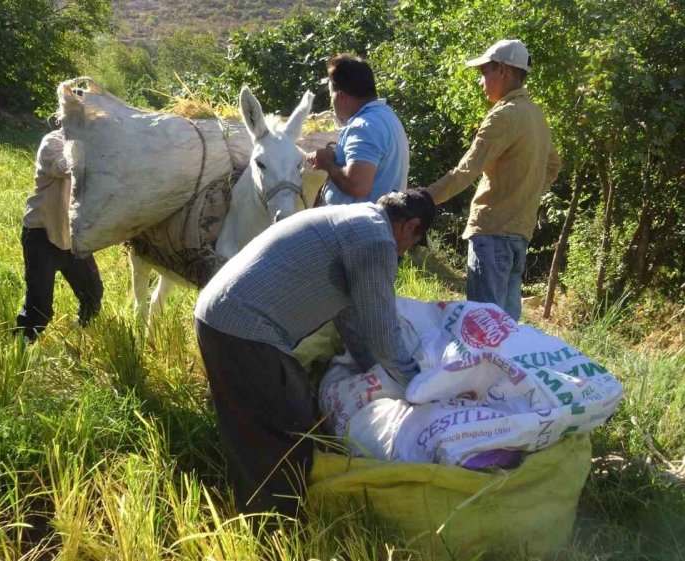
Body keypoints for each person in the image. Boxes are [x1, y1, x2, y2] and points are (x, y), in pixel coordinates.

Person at [193, 189, 435, 516]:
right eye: (414, 243)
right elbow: (381, 328)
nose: (405, 252)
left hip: (218, 317)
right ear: (411, 226)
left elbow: (352, 319)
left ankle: (246, 502)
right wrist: (417, 385)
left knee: (253, 423)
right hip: (244, 328)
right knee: (287, 428)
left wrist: (371, 371)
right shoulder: (376, 240)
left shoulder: (351, 220)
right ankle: (274, 527)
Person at [425, 39, 561, 321]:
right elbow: (553, 165)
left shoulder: (504, 116)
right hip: (519, 232)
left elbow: (466, 170)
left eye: (485, 72)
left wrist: (422, 200)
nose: (481, 81)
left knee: (484, 327)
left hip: (492, 232)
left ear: (503, 70)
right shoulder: (536, 115)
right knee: (507, 329)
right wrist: (525, 195)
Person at [15, 128, 103, 341]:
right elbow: (64, 167)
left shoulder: (90, 143)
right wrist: (89, 148)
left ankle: (82, 336)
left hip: (70, 236)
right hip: (41, 236)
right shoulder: (52, 143)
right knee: (39, 310)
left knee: (92, 293)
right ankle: (19, 351)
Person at [308, 54, 410, 205]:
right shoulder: (386, 117)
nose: (332, 103)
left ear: (341, 96)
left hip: (354, 227)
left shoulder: (364, 126)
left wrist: (328, 163)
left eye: (332, 96)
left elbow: (358, 186)